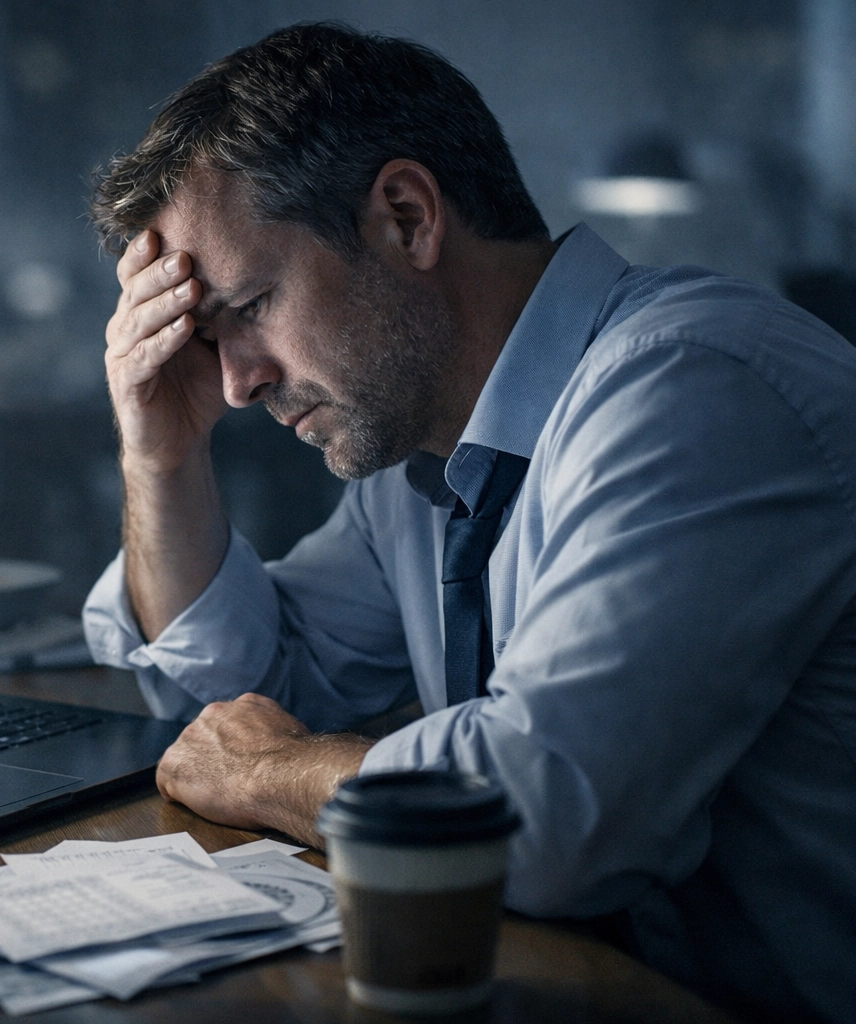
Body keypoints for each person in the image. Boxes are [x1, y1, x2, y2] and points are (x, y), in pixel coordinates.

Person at [80, 22, 856, 1024]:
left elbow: (539, 823)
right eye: (211, 339)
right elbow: (234, 710)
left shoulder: (696, 389)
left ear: (407, 217)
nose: (235, 385)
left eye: (253, 305)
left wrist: (271, 771)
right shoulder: (430, 467)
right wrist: (162, 457)